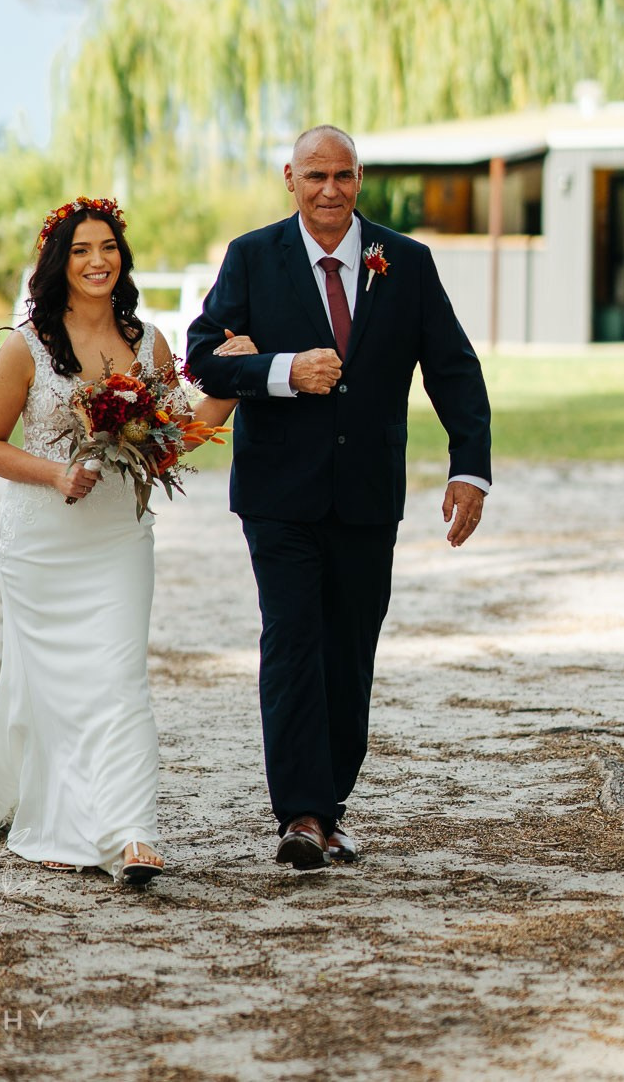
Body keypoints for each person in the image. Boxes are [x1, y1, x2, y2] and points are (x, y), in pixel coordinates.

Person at [186, 126, 492, 870]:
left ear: (362, 178)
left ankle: (330, 807)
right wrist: (285, 370)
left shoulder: (407, 263)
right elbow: (202, 358)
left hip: (367, 493)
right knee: (292, 643)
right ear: (290, 177)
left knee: (349, 652)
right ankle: (301, 816)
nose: (330, 189)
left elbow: (452, 367)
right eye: (316, 175)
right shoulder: (252, 257)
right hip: (277, 495)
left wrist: (469, 468)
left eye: (345, 176)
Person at [0, 196, 237, 886]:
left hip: (120, 536)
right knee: (57, 687)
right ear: (59, 263)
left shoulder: (148, 344)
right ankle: (58, 824)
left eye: (109, 248)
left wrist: (231, 386)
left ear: (123, 259)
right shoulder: (24, 349)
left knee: (120, 681)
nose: (98, 262)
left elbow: (171, 444)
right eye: (83, 250)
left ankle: (131, 832)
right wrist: (57, 472)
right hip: (41, 547)